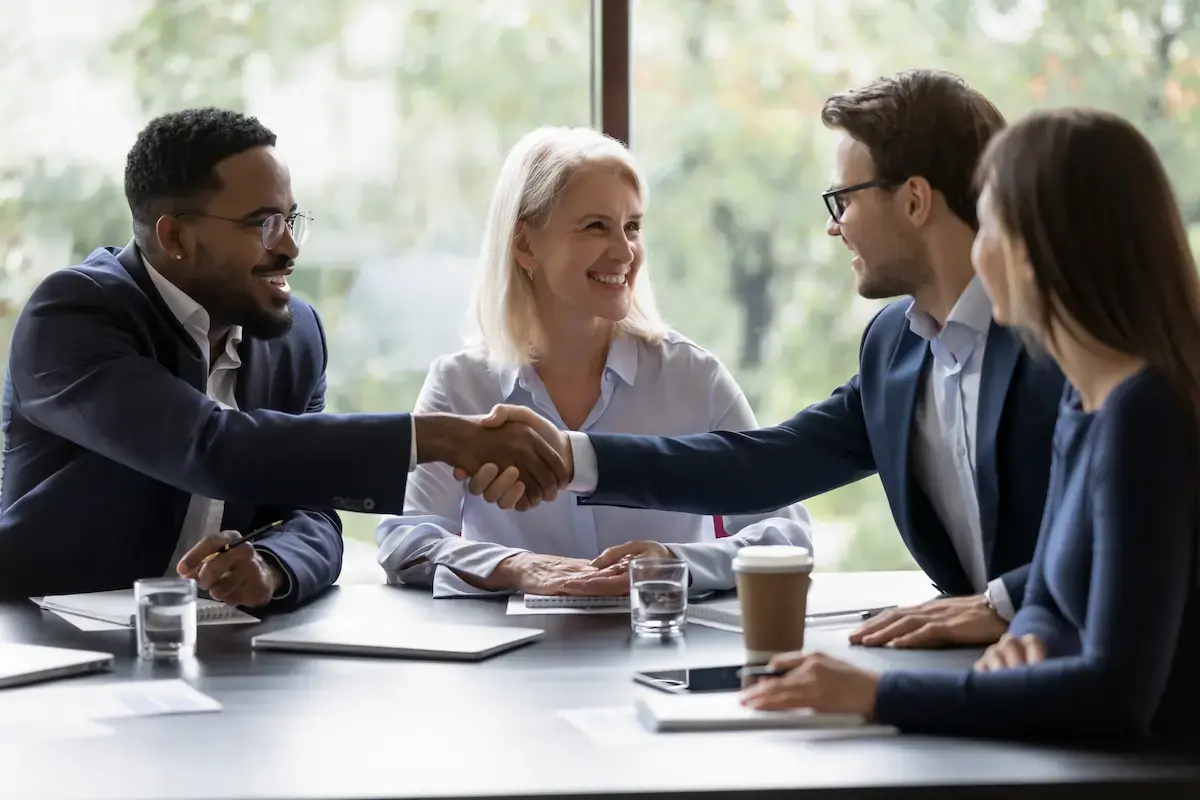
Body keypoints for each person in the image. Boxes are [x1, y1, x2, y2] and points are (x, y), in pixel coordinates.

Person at [472, 69, 1064, 647]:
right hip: (979, 674)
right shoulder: (895, 347)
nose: (836, 228)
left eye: (843, 200)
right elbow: (765, 464)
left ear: (914, 201)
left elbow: (1133, 528)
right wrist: (566, 454)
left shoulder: (1067, 340)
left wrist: (1003, 602)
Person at [739, 108, 1200, 741]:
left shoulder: (1143, 417)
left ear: (1040, 250)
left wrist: (877, 693)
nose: (975, 251)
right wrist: (1030, 639)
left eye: (990, 225)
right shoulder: (1087, 403)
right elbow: (1051, 595)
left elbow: (1115, 695)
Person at [0, 108, 568, 606]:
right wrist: (441, 438)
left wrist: (271, 567)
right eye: (264, 224)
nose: (290, 247)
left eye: (291, 220)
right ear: (175, 237)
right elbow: (210, 447)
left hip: (218, 652)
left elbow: (314, 515)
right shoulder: (73, 317)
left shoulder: (294, 337)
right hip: (51, 645)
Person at [375, 126, 812, 597]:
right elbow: (406, 539)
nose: (625, 251)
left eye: (633, 227)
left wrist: (673, 562)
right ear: (524, 244)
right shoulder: (461, 384)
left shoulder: (693, 377)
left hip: (665, 654)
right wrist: (516, 566)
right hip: (513, 664)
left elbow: (784, 536)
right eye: (595, 227)